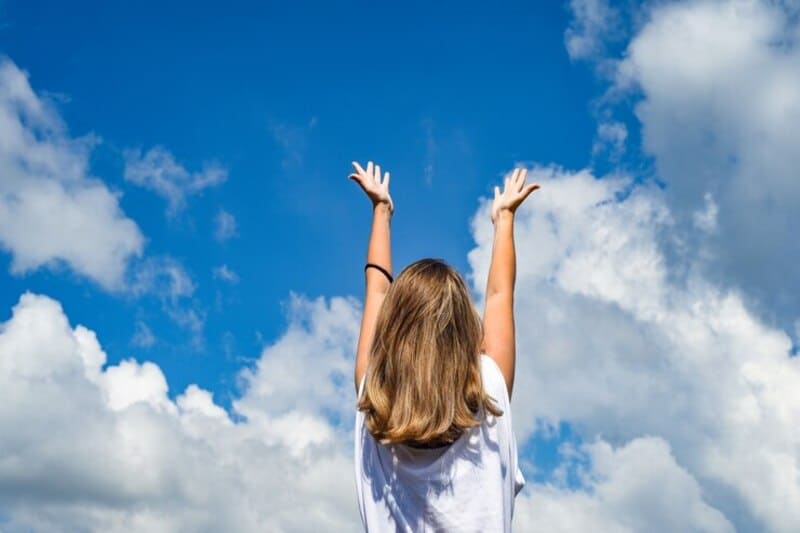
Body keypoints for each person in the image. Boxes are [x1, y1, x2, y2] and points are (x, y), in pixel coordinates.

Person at [349, 160, 540, 532]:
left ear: (394, 328)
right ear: (467, 330)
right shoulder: (490, 392)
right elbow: (501, 295)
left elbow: (377, 288)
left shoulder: (374, 397)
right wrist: (504, 219)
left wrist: (381, 211)